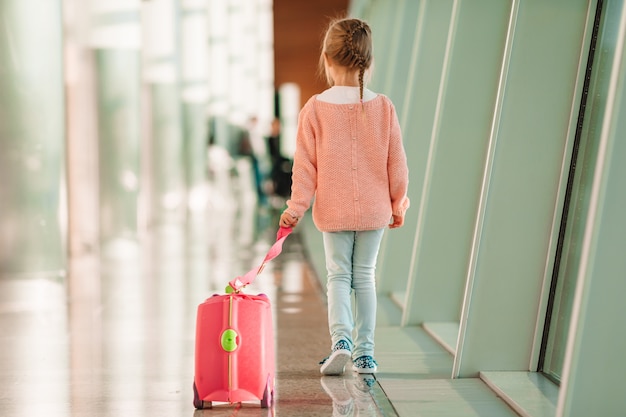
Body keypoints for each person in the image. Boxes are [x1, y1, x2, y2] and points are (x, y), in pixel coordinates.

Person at [279, 17, 410, 375]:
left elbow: (305, 168)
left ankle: (341, 342)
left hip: (333, 211)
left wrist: (296, 208)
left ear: (326, 58)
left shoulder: (315, 109)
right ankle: (366, 353)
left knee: (338, 276)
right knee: (364, 277)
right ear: (368, 62)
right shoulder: (383, 107)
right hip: (374, 211)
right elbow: (396, 163)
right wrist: (398, 202)